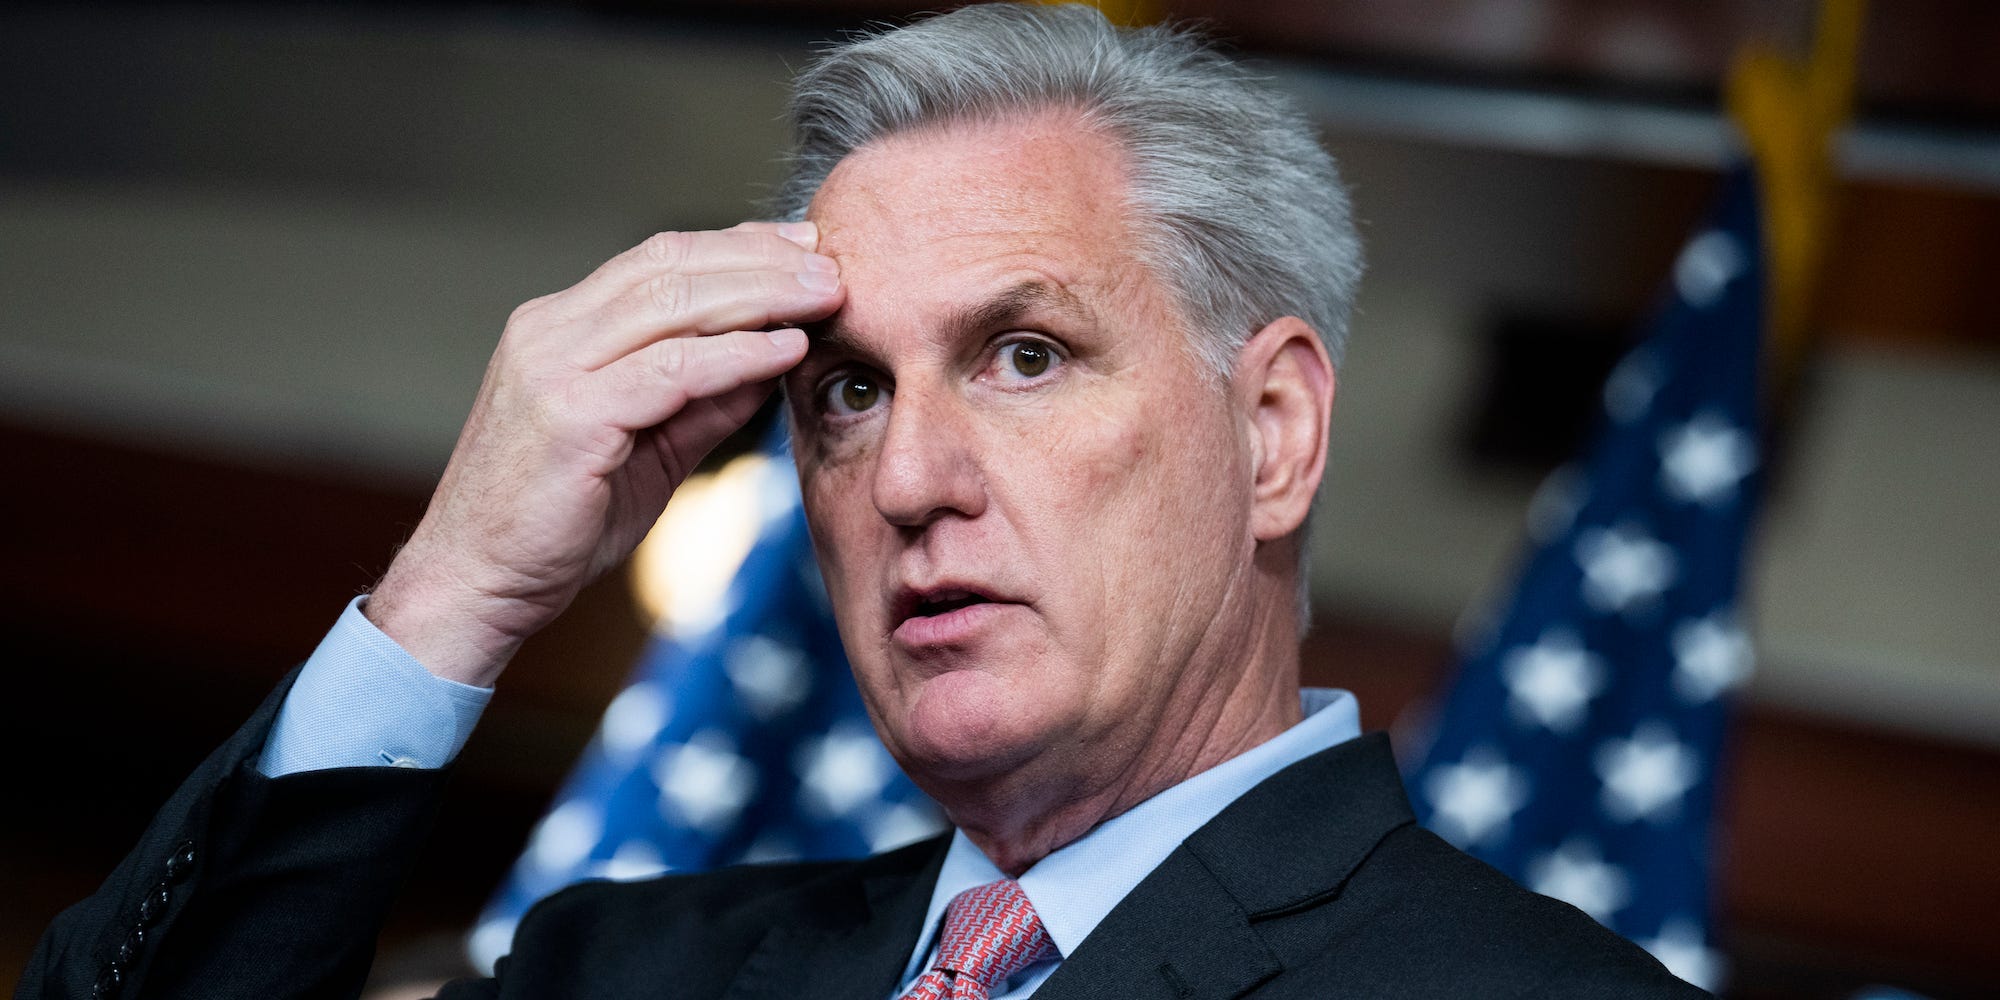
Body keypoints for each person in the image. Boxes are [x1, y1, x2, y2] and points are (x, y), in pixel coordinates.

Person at [21, 5, 1708, 999]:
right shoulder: (626, 973)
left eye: (1027, 355)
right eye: (846, 390)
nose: (905, 478)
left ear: (1270, 431)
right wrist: (446, 595)